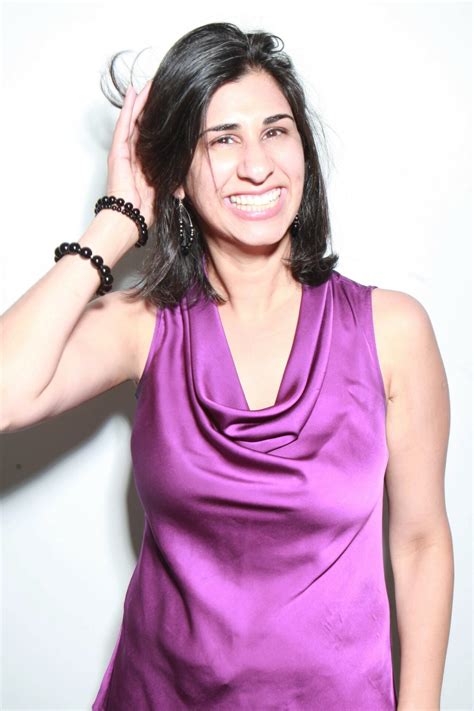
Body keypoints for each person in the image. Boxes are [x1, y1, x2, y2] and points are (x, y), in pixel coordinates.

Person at [0, 22, 453, 711]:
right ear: (177, 175)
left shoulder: (392, 330)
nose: (257, 165)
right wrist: (117, 220)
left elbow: (420, 543)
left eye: (276, 131)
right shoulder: (145, 325)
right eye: (222, 140)